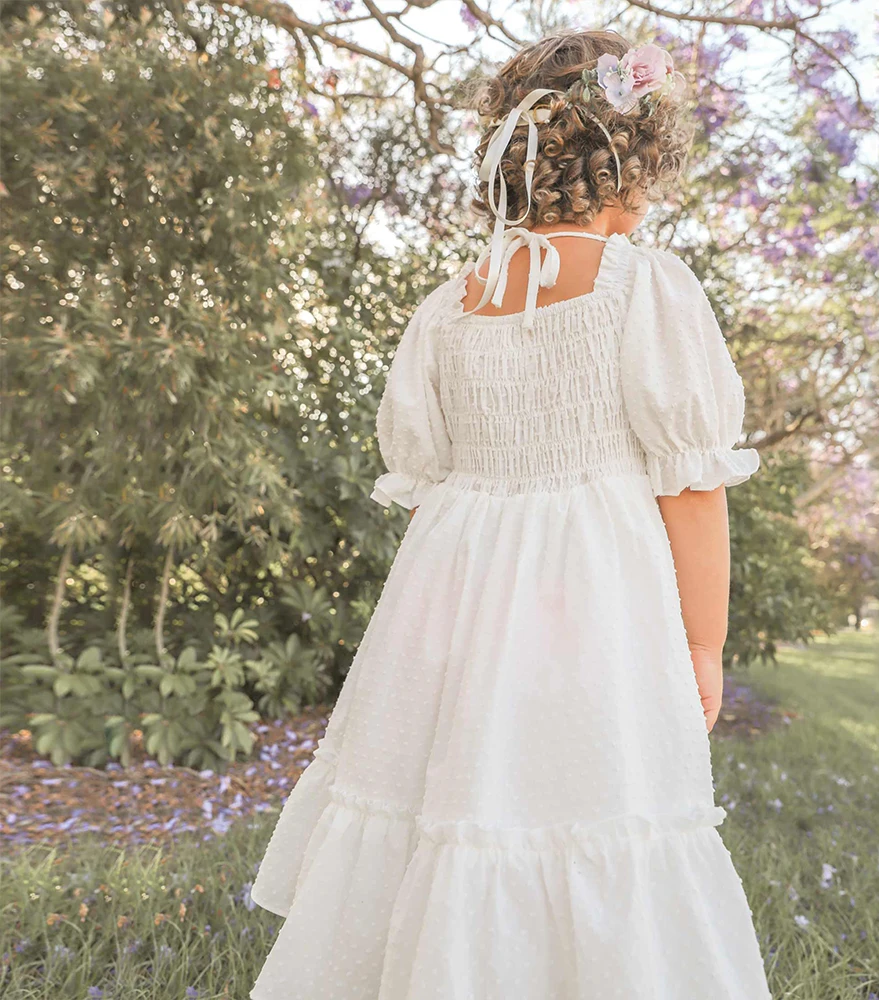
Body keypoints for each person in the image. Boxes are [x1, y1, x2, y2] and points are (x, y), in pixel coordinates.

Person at [250, 29, 771, 1000]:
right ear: (633, 167)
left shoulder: (450, 306)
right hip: (596, 595)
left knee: (454, 792)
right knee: (592, 787)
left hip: (454, 596)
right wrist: (704, 645)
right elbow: (692, 487)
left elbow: (431, 480)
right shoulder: (645, 290)